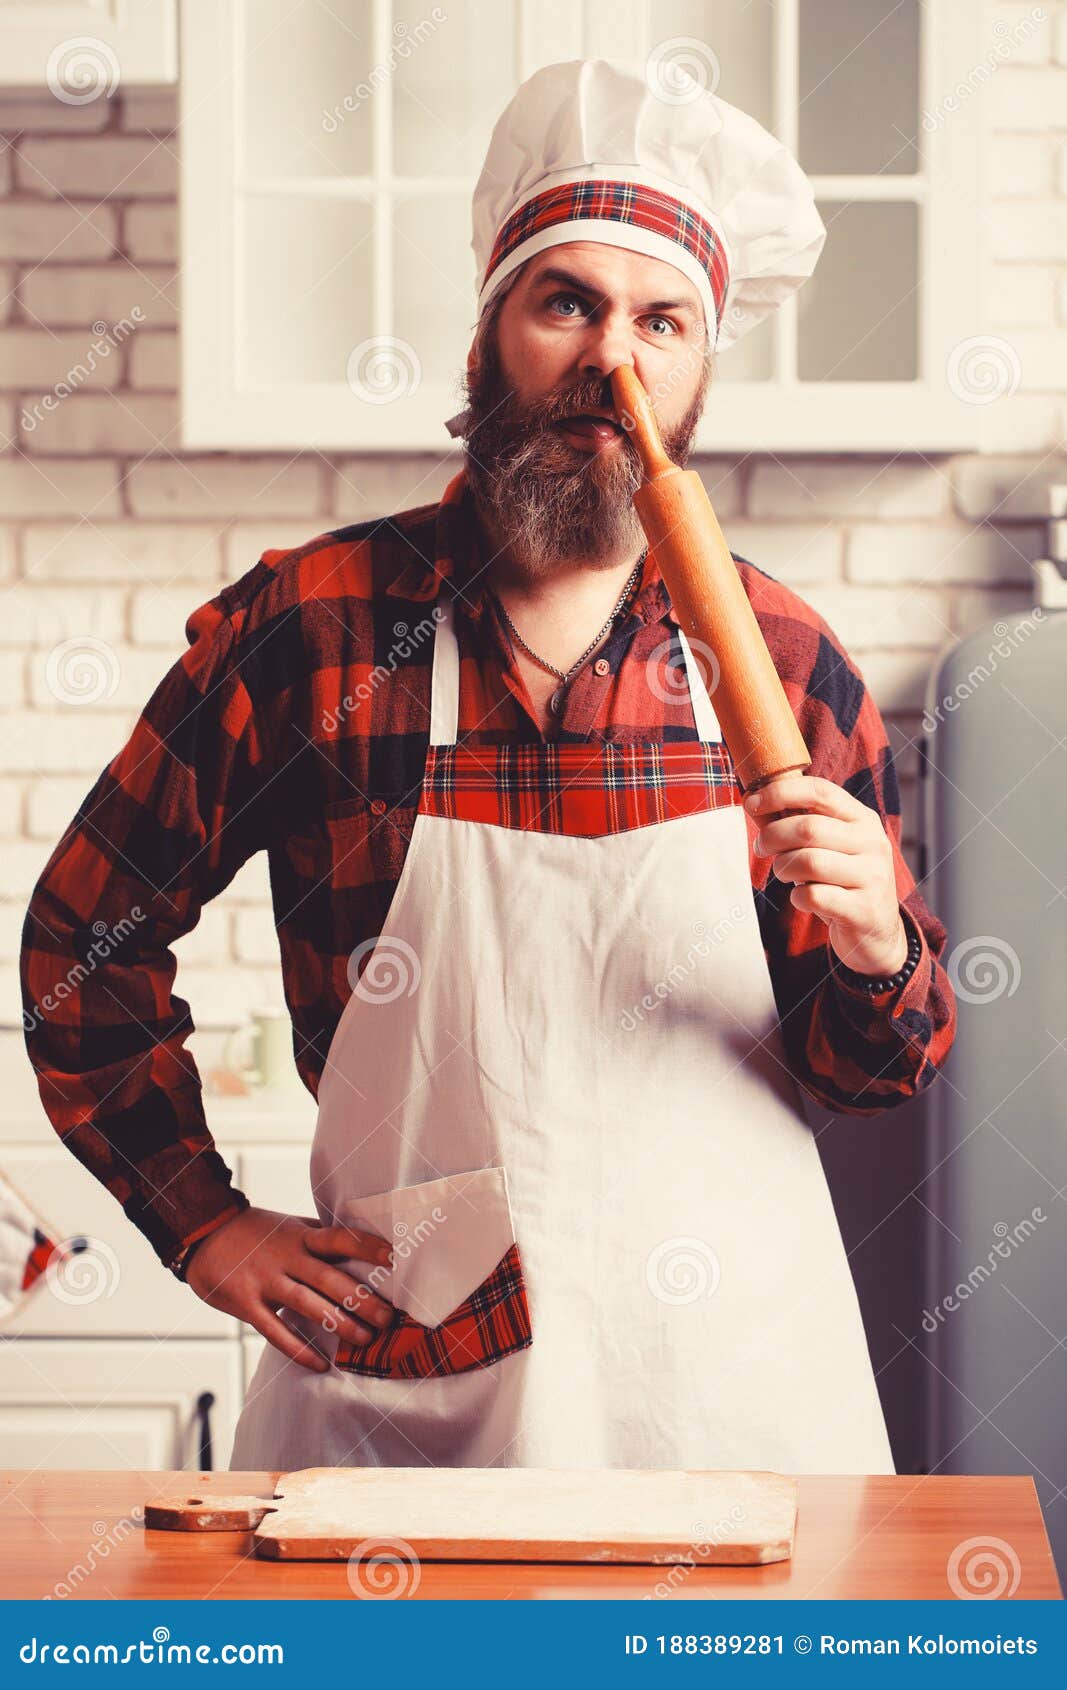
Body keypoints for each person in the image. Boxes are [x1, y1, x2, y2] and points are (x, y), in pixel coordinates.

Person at [20, 60, 956, 1475]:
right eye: (566, 301)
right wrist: (201, 1218)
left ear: (704, 368)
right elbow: (81, 939)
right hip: (407, 1404)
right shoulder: (316, 628)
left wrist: (879, 943)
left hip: (729, 1406)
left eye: (664, 321)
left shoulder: (784, 656)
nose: (613, 363)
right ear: (491, 327)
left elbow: (871, 1068)